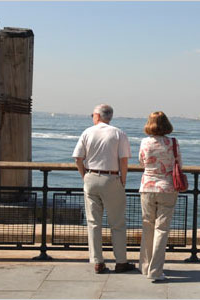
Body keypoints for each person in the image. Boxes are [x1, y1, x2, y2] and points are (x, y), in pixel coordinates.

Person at [72, 104, 136, 274]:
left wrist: (84, 175)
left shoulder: (87, 132)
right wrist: (123, 180)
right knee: (117, 223)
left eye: (92, 114)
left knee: (93, 222)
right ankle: (121, 261)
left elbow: (78, 158)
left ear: (97, 116)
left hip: (91, 177)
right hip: (112, 178)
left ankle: (98, 262)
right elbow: (124, 160)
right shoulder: (118, 133)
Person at [138, 111, 182, 282]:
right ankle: (155, 271)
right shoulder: (173, 143)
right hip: (167, 187)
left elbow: (142, 162)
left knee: (147, 226)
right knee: (161, 229)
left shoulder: (144, 142)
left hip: (147, 187)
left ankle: (145, 266)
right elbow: (179, 163)